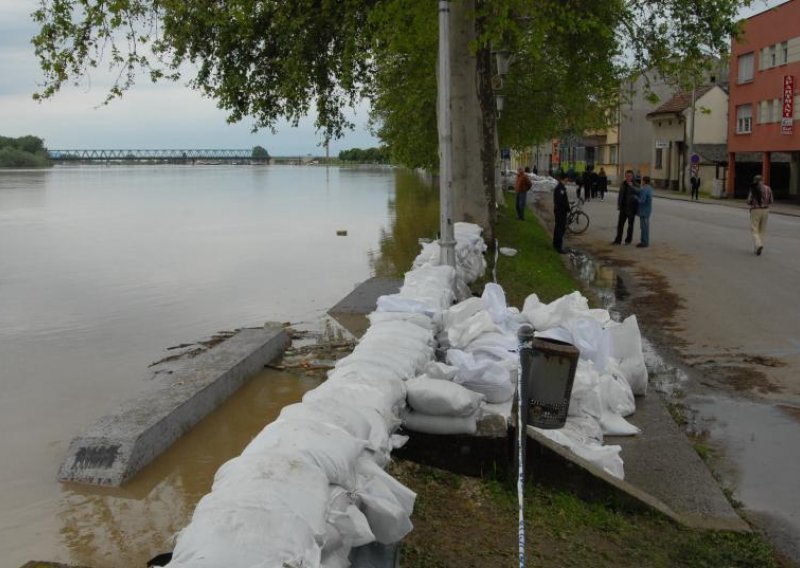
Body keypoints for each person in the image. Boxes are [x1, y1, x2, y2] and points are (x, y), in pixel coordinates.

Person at [747, 174, 773, 256]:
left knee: (754, 229)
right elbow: (771, 201)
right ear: (762, 180)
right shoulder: (768, 188)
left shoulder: (753, 189)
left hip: (755, 210)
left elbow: (749, 201)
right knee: (762, 230)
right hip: (765, 210)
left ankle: (758, 245)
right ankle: (758, 247)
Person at [612, 169, 639, 245]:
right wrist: (619, 204)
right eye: (627, 176)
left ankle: (628, 240)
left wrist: (636, 208)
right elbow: (620, 195)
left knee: (630, 226)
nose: (628, 177)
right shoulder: (623, 184)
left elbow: (638, 194)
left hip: (631, 209)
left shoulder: (635, 185)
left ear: (632, 176)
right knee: (620, 225)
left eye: (629, 176)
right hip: (623, 208)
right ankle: (618, 240)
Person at [553, 172, 570, 254]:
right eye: (567, 179)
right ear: (565, 179)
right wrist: (567, 207)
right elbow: (560, 201)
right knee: (560, 229)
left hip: (559, 211)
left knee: (558, 228)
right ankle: (559, 247)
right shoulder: (560, 188)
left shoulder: (561, 187)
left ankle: (555, 244)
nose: (568, 180)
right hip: (560, 211)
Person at [637, 176, 653, 248]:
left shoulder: (644, 189)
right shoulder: (649, 188)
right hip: (647, 210)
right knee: (645, 226)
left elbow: (642, 200)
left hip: (644, 210)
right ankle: (644, 241)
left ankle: (644, 242)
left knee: (644, 227)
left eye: (642, 181)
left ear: (643, 181)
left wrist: (636, 199)